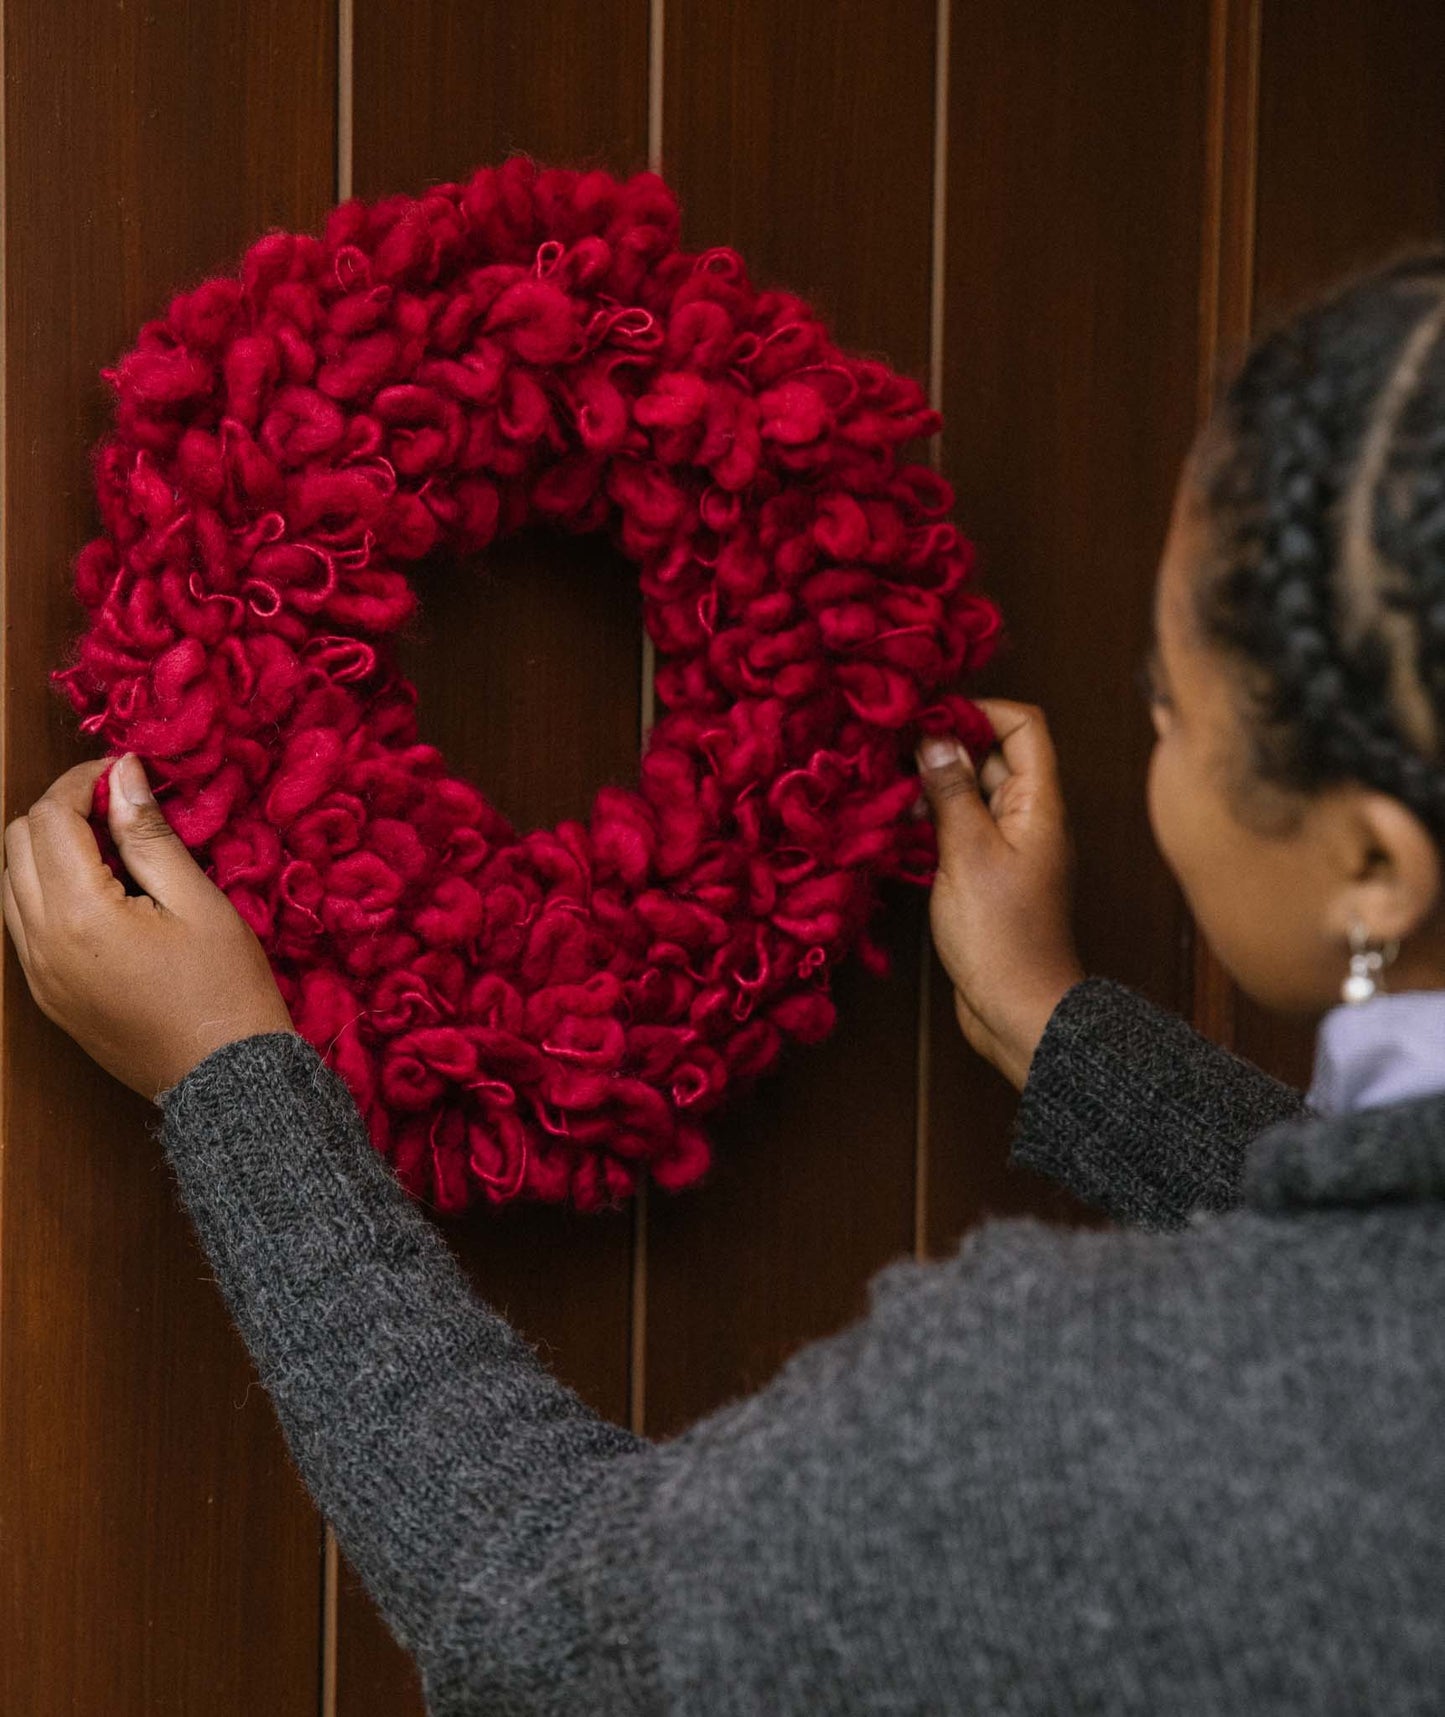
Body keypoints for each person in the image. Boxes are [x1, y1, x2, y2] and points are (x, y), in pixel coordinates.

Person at [4, 248, 1443, 1716]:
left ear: (1372, 865)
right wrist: (1057, 1027)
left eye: (1171, 700)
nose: (1148, 730)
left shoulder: (1067, 1421)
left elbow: (546, 1623)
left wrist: (231, 1074)